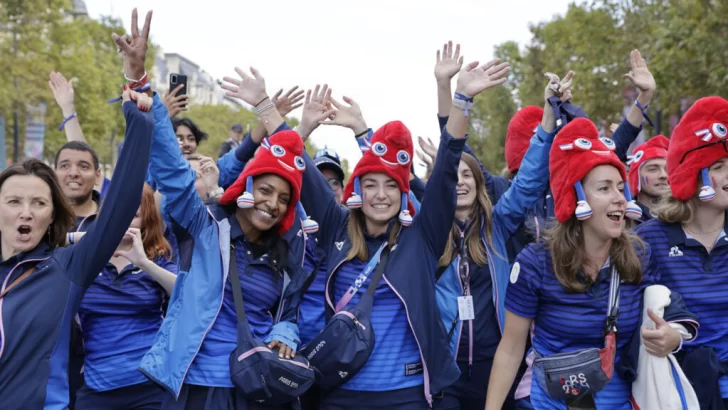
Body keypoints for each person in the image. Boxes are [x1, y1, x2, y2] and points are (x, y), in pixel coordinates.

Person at [277, 56, 510, 408]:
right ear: (358, 190)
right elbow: (296, 167)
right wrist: (292, 122)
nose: (381, 195)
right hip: (340, 395)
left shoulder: (422, 237)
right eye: (370, 184)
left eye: (391, 186)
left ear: (404, 194)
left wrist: (460, 98)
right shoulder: (336, 225)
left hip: (407, 396)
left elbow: (447, 166)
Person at [484, 117, 696, 410]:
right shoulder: (535, 263)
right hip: (549, 404)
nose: (620, 199)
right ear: (575, 199)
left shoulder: (640, 256)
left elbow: (672, 312)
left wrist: (673, 336)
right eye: (605, 188)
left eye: (621, 188)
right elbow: (510, 350)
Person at [139, 77, 313, 409]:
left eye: (283, 198)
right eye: (265, 191)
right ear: (245, 188)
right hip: (198, 385)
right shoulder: (202, 225)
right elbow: (175, 174)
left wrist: (286, 333)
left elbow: (288, 311)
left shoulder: (290, 248)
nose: (272, 203)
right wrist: (148, 94)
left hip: (256, 387)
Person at [0, 76, 153, 410]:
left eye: (38, 204)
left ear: (54, 214)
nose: (26, 213)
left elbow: (122, 203)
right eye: (13, 202)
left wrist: (139, 124)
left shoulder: (65, 267)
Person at [435, 73, 566, 410]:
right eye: (454, 176)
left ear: (481, 186)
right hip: (442, 366)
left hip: (495, 364)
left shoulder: (498, 224)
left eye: (469, 176)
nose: (461, 183)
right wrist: (451, 92)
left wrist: (549, 117)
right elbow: (392, 182)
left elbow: (527, 181)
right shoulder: (428, 231)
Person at [636, 96, 728, 408]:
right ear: (693, 173)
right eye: (719, 166)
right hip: (678, 391)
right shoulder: (649, 240)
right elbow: (634, 317)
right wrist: (674, 337)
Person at [70, 184, 177, 410]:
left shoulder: (156, 258)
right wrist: (90, 237)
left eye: (134, 216)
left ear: (146, 220)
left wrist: (144, 264)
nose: (125, 221)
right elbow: (50, 242)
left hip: (150, 386)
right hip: (97, 386)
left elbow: (186, 293)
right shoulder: (86, 258)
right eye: (118, 214)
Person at [626, 135, 669, 223]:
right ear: (636, 177)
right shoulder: (625, 218)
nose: (663, 175)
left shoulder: (684, 216)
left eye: (667, 169)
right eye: (653, 169)